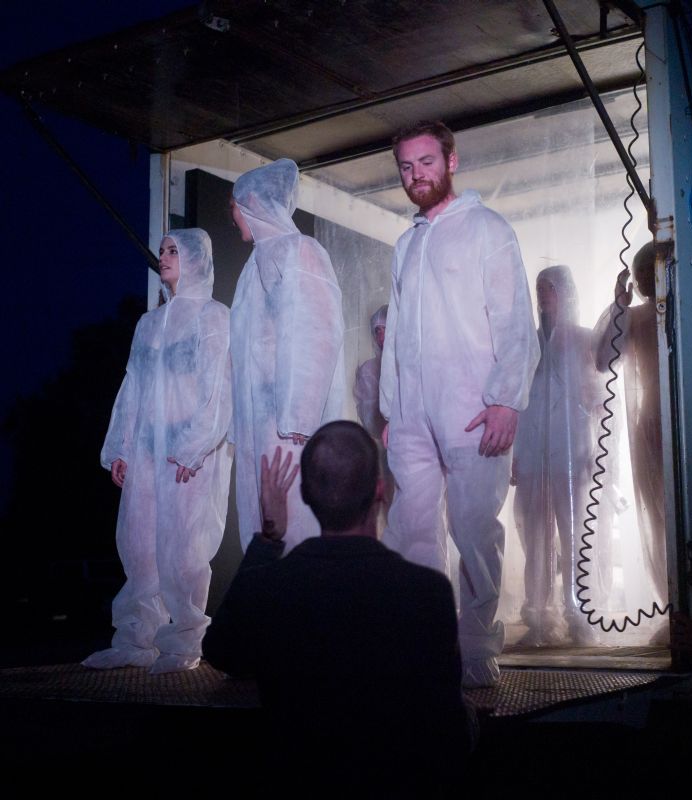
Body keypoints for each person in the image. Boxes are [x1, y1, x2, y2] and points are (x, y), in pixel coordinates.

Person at [203, 422, 476, 792]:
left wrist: (268, 539)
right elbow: (449, 730)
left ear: (303, 493)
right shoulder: (427, 593)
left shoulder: (269, 586)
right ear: (380, 490)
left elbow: (221, 651)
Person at [380, 120, 539, 687]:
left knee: (473, 527)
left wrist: (506, 401)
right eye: (406, 166)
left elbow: (515, 320)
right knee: (413, 528)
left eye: (426, 162)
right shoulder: (407, 245)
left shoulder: (487, 228)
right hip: (412, 416)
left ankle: (475, 648)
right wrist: (391, 409)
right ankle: (424, 643)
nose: (415, 175)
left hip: (473, 408)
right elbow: (397, 336)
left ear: (451, 161)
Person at [83, 229, 233, 674]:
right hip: (148, 455)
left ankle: (184, 643)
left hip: (187, 458)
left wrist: (194, 447)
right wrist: (121, 447)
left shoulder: (213, 316)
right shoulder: (149, 323)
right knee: (139, 545)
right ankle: (135, 640)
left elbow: (218, 387)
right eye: (163, 250)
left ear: (196, 259)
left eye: (173, 251)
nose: (163, 257)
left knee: (184, 549)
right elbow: (132, 388)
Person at [229, 159, 345, 553]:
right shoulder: (253, 266)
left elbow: (316, 331)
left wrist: (300, 413)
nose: (233, 215)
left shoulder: (300, 250)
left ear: (254, 202)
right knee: (258, 525)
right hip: (259, 424)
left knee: (294, 524)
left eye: (235, 205)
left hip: (290, 426)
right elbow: (240, 354)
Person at [512, 265, 606, 645]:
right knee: (537, 535)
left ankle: (579, 614)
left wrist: (595, 450)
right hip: (533, 450)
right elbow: (518, 402)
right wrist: (515, 452)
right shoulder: (529, 344)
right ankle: (539, 616)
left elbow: (598, 396)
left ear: (565, 293)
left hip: (571, 450)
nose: (542, 295)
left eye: (549, 288)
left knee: (574, 533)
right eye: (539, 288)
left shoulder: (583, 339)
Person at [592, 241, 669, 613]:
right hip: (651, 427)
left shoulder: (684, 306)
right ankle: (672, 603)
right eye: (642, 275)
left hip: (669, 423)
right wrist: (619, 306)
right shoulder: (636, 317)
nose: (646, 281)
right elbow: (603, 360)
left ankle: (687, 604)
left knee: (675, 516)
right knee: (658, 518)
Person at [353, 304, 394, 526]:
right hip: (382, 450)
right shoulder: (369, 370)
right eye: (376, 331)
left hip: (415, 449)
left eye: (385, 329)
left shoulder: (413, 364)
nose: (381, 336)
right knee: (387, 511)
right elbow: (369, 419)